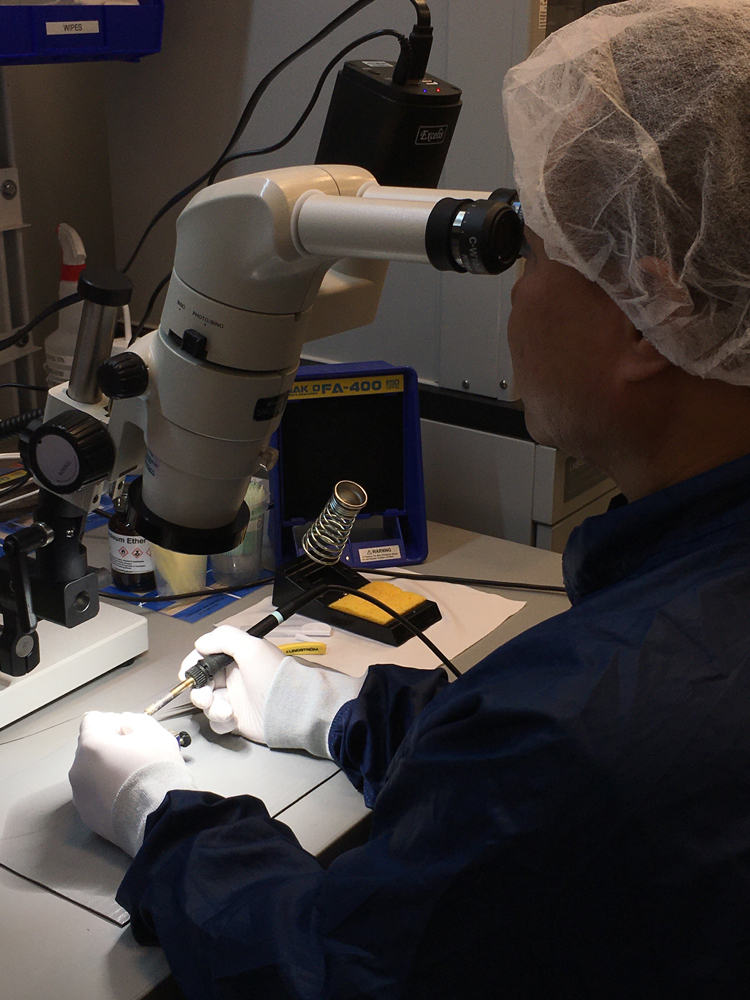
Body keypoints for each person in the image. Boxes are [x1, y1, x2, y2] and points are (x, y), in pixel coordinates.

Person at [68, 2, 750, 996]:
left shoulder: (584, 725)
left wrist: (159, 815)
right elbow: (514, 773)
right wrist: (332, 712)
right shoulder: (678, 609)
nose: (514, 294)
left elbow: (327, 968)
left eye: (536, 256)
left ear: (653, 318)